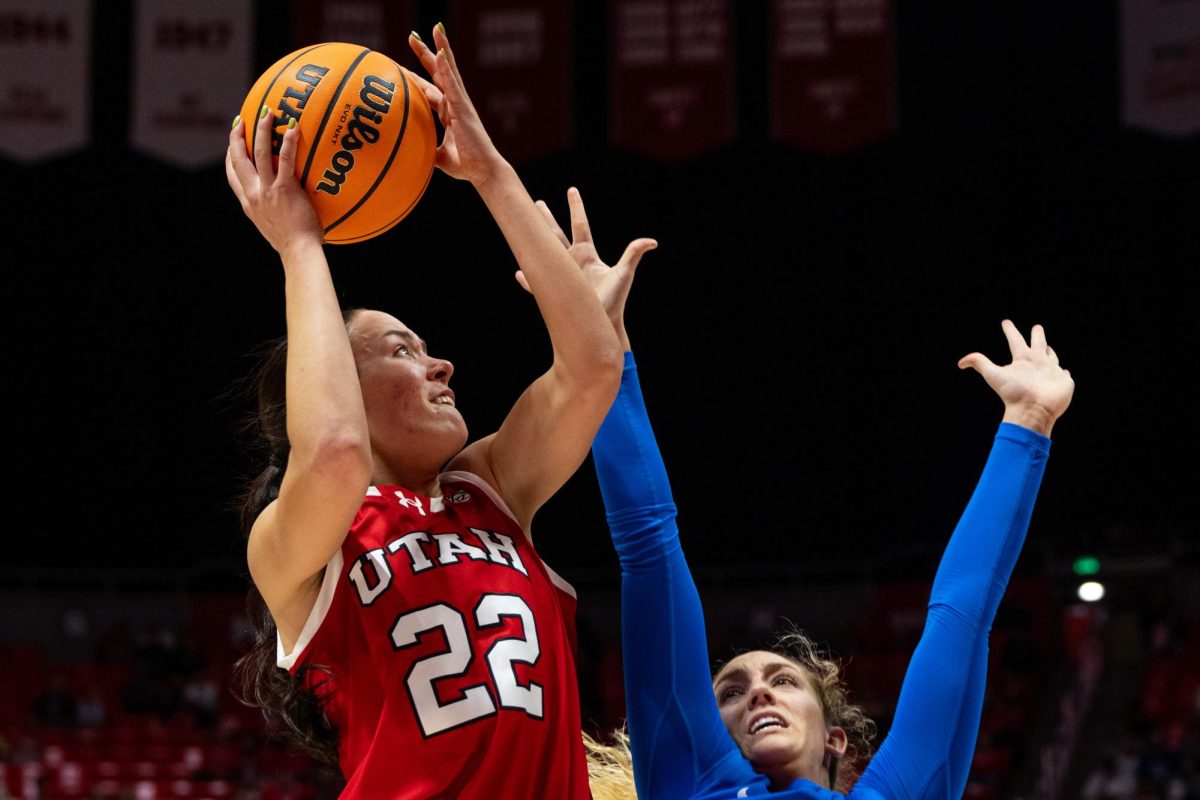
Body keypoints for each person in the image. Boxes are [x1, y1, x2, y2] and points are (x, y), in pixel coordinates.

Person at [226, 25, 645, 799]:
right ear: (337, 386)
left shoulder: (489, 491)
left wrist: (489, 171)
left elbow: (592, 368)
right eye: (401, 349)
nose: (441, 363)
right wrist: (300, 245)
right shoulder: (297, 544)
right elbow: (336, 453)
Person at [578, 229, 1073, 798]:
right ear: (703, 732)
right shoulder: (685, 780)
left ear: (835, 739)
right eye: (731, 693)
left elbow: (961, 618)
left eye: (782, 681)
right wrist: (603, 346)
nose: (757, 693)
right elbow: (648, 543)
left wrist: (1030, 420)